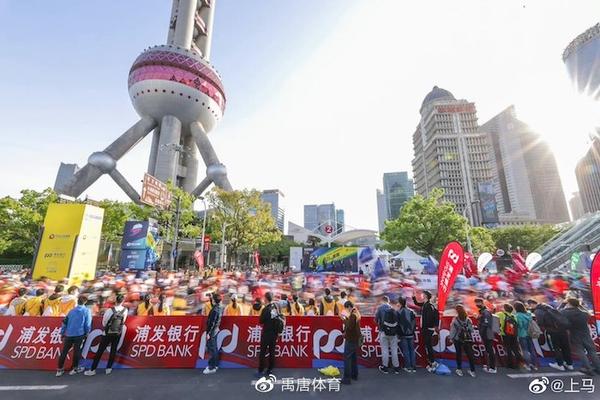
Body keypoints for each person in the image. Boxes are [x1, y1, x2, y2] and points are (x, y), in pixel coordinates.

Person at [85, 294, 128, 376]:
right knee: (113, 350)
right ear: (123, 301)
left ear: (115, 300)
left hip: (107, 333)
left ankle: (93, 369)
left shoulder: (109, 310)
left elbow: (104, 322)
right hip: (118, 332)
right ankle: (108, 368)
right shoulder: (125, 310)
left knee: (100, 351)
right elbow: (123, 321)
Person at [528, 299, 573, 371]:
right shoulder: (547, 306)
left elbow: (540, 323)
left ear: (531, 304)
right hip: (562, 329)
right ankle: (569, 364)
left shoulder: (538, 311)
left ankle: (560, 364)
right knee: (565, 347)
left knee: (556, 348)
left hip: (553, 331)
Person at [561, 298, 600, 375]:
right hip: (586, 334)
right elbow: (588, 313)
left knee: (581, 352)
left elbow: (557, 313)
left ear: (569, 304)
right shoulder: (583, 313)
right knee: (592, 352)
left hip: (574, 335)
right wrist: (580, 305)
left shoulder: (564, 313)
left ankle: (588, 368)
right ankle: (598, 367)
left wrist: (562, 304)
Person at [56, 296, 92, 377]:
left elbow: (65, 322)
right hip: (79, 334)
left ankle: (59, 369)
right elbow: (87, 324)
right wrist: (87, 332)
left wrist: (62, 332)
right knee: (77, 351)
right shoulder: (87, 311)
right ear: (85, 302)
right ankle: (74, 368)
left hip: (69, 334)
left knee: (64, 351)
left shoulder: (71, 311)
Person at [412, 290, 439, 372]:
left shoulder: (429, 306)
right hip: (426, 329)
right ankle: (431, 362)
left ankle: (433, 362)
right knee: (427, 346)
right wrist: (413, 297)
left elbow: (431, 318)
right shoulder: (425, 305)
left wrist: (427, 326)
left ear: (426, 296)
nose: (422, 296)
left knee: (429, 347)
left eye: (423, 295)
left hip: (427, 330)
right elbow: (417, 304)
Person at [448, 304, 476, 377]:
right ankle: (472, 371)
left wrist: (451, 338)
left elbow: (452, 331)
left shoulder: (455, 320)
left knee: (459, 354)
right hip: (467, 339)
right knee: (470, 355)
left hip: (458, 339)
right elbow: (472, 330)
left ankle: (459, 370)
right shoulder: (468, 319)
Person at [375, 296, 400, 374]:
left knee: (385, 350)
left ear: (382, 301)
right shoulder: (393, 309)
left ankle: (385, 367)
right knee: (394, 350)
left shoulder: (380, 308)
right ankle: (396, 368)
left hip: (383, 331)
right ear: (388, 301)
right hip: (393, 332)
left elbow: (376, 319)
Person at [257, 292, 279, 377]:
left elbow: (261, 321)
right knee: (272, 351)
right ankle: (270, 369)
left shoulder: (266, 309)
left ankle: (261, 370)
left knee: (263, 352)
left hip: (266, 333)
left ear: (266, 298)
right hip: (274, 334)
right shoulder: (275, 308)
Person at [495, 303, 523, 369]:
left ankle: (510, 364)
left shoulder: (501, 314)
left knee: (508, 349)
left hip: (505, 334)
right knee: (516, 349)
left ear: (504, 309)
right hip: (514, 334)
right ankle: (519, 363)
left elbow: (493, 317)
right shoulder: (514, 316)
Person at [474, 298, 496, 373]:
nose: (476, 305)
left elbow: (486, 323)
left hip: (487, 333)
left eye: (477, 303)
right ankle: (490, 366)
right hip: (486, 333)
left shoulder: (485, 312)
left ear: (481, 303)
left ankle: (493, 368)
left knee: (490, 350)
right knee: (488, 350)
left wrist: (481, 331)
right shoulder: (483, 311)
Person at [341, 301, 361, 385]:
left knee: (347, 358)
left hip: (351, 339)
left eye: (346, 308)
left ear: (349, 306)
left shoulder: (353, 315)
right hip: (356, 339)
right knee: (353, 358)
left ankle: (346, 378)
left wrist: (344, 319)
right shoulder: (357, 313)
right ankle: (354, 375)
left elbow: (349, 326)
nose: (346, 310)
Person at [203, 293, 224, 375]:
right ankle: (215, 365)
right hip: (216, 330)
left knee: (212, 349)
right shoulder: (220, 307)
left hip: (212, 332)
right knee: (214, 348)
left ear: (214, 300)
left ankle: (211, 366)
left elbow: (211, 323)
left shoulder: (215, 310)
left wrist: (208, 333)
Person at [514, 301, 537, 371]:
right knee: (532, 350)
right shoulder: (529, 313)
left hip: (522, 334)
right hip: (529, 333)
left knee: (525, 350)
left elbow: (520, 325)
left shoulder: (518, 315)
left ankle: (528, 364)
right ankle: (534, 365)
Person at [397, 297, 416, 373]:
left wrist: (399, 334)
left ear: (400, 303)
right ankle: (413, 366)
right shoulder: (411, 312)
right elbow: (414, 323)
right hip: (411, 334)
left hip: (403, 335)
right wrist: (412, 331)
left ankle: (408, 366)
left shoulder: (398, 312)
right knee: (412, 350)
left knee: (406, 351)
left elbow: (398, 325)